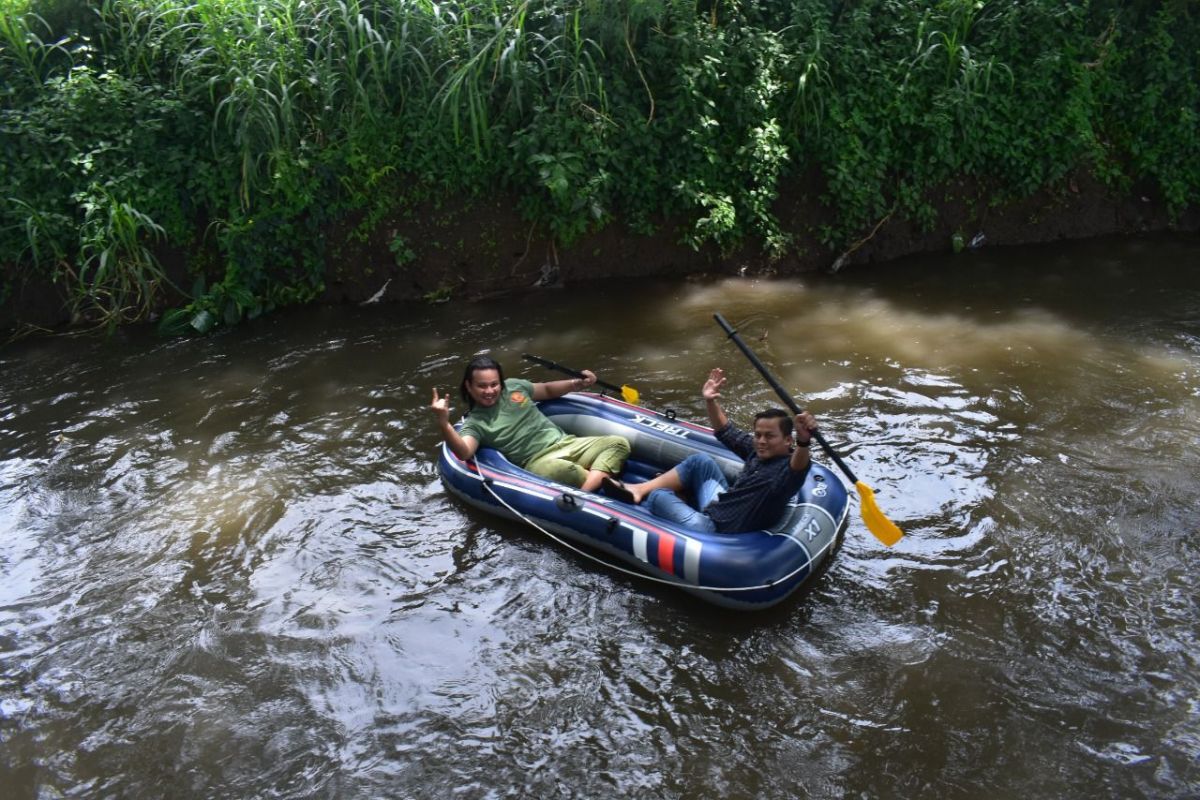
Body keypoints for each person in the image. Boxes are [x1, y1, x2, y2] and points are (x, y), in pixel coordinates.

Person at [602, 367, 817, 533]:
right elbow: (725, 430)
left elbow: (798, 466)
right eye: (758, 434)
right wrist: (710, 400)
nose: (761, 441)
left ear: (788, 440)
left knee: (659, 496)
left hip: (715, 529)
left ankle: (665, 495)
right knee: (701, 461)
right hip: (718, 507)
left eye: (769, 436)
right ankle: (639, 490)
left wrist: (804, 441)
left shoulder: (785, 475)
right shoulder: (757, 450)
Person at [432, 354, 630, 492]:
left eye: (494, 384)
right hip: (538, 461)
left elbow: (547, 390)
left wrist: (578, 383)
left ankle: (591, 486)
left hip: (567, 442)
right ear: (469, 386)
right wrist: (443, 423)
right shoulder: (476, 422)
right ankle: (601, 483)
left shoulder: (514, 387)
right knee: (566, 471)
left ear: (500, 381)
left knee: (618, 443)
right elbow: (464, 452)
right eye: (482, 386)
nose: (490, 391)